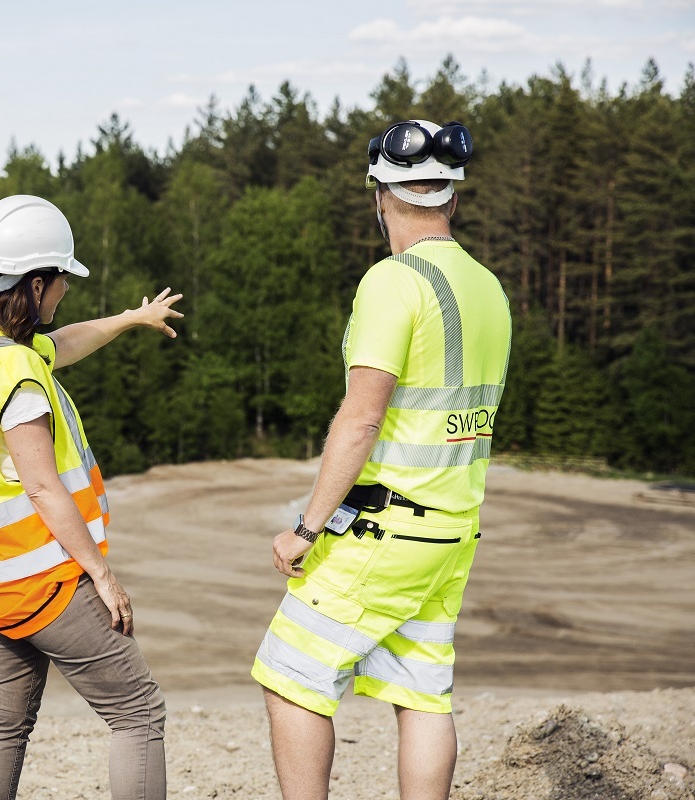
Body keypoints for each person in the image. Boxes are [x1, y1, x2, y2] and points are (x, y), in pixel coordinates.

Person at [252, 120, 512, 800]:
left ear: (380, 194)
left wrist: (307, 528)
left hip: (387, 528)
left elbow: (363, 415)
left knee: (291, 674)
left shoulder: (394, 282)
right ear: (452, 197)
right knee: (423, 691)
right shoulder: (487, 286)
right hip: (453, 529)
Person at [0, 194, 182, 800]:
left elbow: (64, 345)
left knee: (5, 721)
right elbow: (44, 487)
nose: (65, 292)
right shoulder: (18, 377)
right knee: (138, 712)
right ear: (33, 284)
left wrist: (130, 319)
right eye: (60, 281)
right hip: (45, 580)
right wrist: (102, 576)